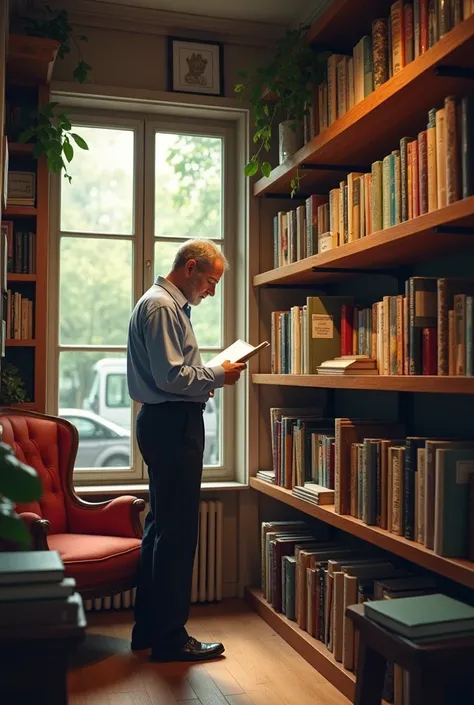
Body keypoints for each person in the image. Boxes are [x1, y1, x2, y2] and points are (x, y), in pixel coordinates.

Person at [126, 239, 245, 663]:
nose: (211, 291)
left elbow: (172, 376)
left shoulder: (163, 305)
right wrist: (217, 374)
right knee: (177, 537)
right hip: (171, 425)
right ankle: (170, 640)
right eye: (211, 281)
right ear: (190, 268)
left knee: (161, 530)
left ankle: (149, 630)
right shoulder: (162, 307)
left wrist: (203, 381)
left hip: (166, 422)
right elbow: (172, 376)